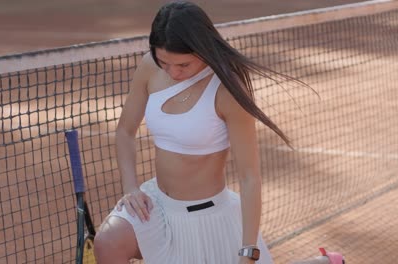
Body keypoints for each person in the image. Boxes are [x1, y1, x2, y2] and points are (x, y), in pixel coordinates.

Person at [94, 1, 345, 264]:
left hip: (206, 218)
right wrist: (131, 187)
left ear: (203, 50)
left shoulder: (228, 90)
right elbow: (124, 131)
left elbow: (249, 177)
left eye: (183, 65)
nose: (173, 71)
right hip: (155, 206)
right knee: (107, 242)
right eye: (164, 62)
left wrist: (248, 252)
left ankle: (325, 262)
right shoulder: (150, 67)